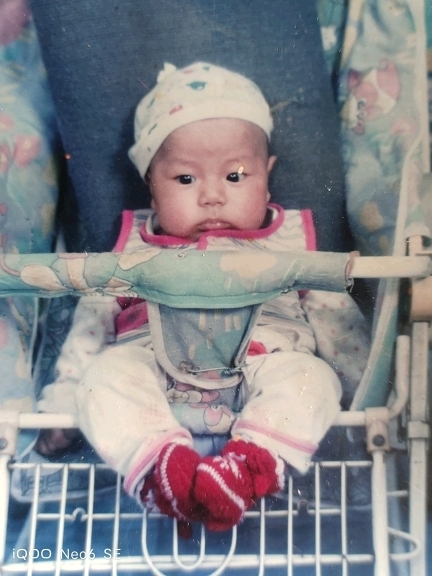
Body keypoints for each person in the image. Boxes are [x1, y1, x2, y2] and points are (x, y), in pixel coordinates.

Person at [36, 62, 368, 532]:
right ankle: (162, 470)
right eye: (185, 180)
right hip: (155, 373)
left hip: (263, 364)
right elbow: (90, 330)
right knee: (104, 376)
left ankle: (249, 467)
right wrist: (63, 402)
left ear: (267, 177)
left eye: (236, 176)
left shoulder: (291, 249)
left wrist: (367, 394)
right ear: (152, 187)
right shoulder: (131, 252)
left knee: (311, 378)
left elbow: (338, 324)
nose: (212, 195)